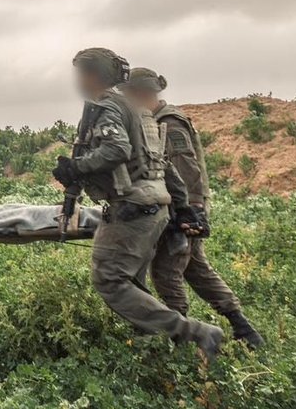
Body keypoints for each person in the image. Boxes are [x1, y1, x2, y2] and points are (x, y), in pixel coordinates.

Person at [51, 48, 226, 359]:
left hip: (131, 208)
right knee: (132, 280)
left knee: (110, 280)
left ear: (92, 75)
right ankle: (153, 351)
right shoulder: (139, 110)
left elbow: (116, 149)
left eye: (80, 73)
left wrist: (78, 167)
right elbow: (161, 162)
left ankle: (195, 333)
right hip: (155, 207)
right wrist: (182, 204)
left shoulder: (106, 105)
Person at [123, 68, 265, 348]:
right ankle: (245, 330)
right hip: (176, 209)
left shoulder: (170, 124)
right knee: (197, 270)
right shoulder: (151, 122)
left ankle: (181, 340)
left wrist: (190, 212)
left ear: (142, 93)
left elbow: (187, 170)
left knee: (165, 271)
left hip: (182, 211)